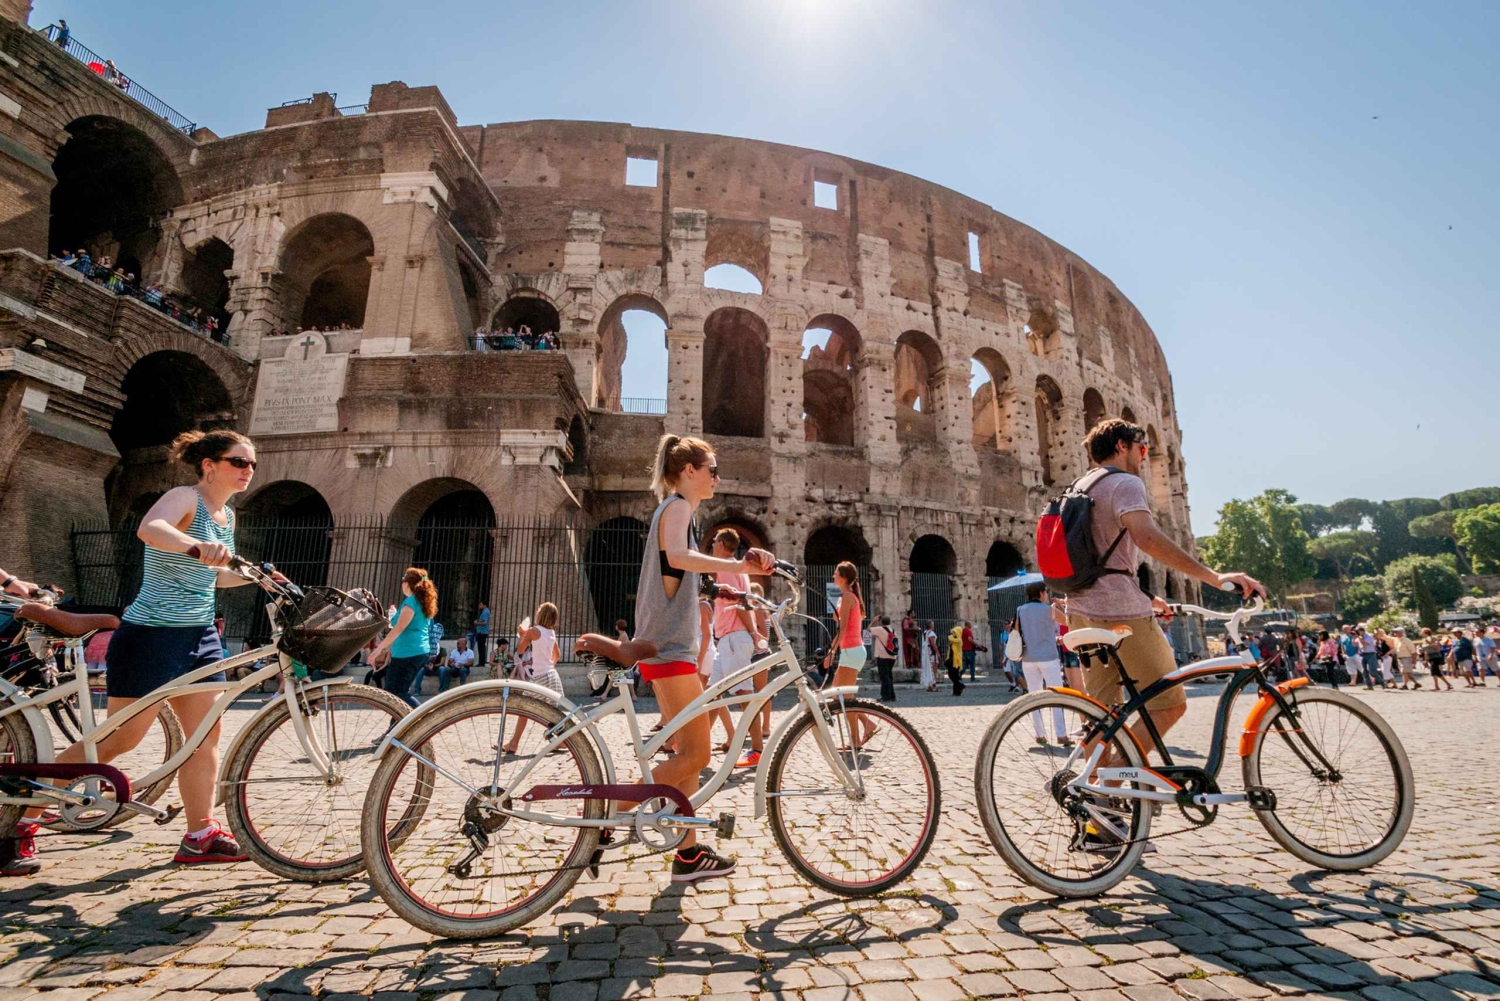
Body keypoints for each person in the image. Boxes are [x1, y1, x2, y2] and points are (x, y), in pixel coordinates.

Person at [7, 430, 280, 877]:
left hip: (199, 635)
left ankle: (200, 835)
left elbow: (212, 577)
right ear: (209, 465)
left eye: (252, 464)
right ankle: (22, 823)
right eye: (239, 461)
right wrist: (194, 545)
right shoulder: (183, 497)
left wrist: (253, 576)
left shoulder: (226, 516)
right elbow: (150, 529)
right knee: (121, 739)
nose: (248, 470)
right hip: (152, 634)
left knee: (204, 738)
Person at [575, 434, 772, 882]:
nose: (717, 477)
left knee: (686, 753)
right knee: (698, 755)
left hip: (667, 644)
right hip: (670, 647)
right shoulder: (678, 506)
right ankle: (605, 814)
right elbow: (679, 558)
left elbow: (676, 571)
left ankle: (687, 855)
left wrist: (720, 586)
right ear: (689, 471)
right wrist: (740, 569)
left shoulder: (679, 511)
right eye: (712, 469)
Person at [1058, 419, 1264, 776]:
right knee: (1169, 703)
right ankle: (1122, 773)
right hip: (1121, 614)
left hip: (1080, 609)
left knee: (1101, 716)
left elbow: (1099, 558)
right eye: (1141, 446)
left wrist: (1145, 594)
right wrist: (1214, 578)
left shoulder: (1078, 487)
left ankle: (1095, 804)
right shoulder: (1124, 482)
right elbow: (1146, 538)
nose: (1145, 453)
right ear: (1122, 446)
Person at [709, 528, 764, 767]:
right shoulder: (736, 570)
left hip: (734, 637)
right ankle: (696, 742)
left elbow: (740, 604)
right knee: (712, 693)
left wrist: (752, 633)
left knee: (743, 693)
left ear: (721, 544)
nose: (711, 545)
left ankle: (757, 748)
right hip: (727, 638)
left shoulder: (726, 568)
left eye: (714, 542)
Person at [500, 602, 566, 753]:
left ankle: (514, 744)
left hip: (540, 675)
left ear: (540, 614)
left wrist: (523, 634)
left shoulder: (533, 631)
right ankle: (562, 740)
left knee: (525, 708)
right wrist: (549, 664)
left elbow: (520, 650)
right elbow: (557, 655)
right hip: (552, 674)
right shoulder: (551, 633)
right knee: (551, 711)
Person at [824, 561, 875, 747]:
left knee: (844, 698)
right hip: (851, 650)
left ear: (843, 577)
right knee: (839, 695)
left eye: (836, 573)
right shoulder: (847, 597)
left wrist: (831, 652)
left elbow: (843, 628)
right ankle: (867, 724)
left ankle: (855, 740)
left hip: (852, 650)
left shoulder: (847, 597)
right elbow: (843, 621)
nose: (833, 576)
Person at [369, 568, 436, 709]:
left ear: (407, 584)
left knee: (395, 692)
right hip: (417, 651)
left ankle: (420, 717)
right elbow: (403, 624)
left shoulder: (410, 602)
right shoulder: (423, 602)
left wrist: (378, 649)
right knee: (400, 692)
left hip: (407, 652)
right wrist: (394, 615)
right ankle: (396, 727)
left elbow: (399, 628)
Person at [1015, 582, 1068, 746]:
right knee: (1056, 695)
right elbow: (1068, 622)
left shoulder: (1020, 610)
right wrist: (1059, 606)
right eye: (1045, 591)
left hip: (1028, 658)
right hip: (1048, 657)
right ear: (1041, 593)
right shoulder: (1049, 610)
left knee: (1034, 696)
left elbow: (1016, 631)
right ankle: (1061, 734)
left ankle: (1040, 734)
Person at [870, 614, 897, 703]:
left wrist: (874, 621)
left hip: (883, 656)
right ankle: (892, 695)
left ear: (882, 622)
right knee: (889, 676)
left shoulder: (880, 629)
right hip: (892, 656)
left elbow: (868, 629)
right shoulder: (893, 630)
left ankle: (885, 696)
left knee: (884, 677)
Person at [946, 621, 966, 696]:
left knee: (954, 675)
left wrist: (951, 633)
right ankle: (958, 688)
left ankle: (957, 690)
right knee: (952, 675)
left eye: (954, 632)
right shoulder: (954, 640)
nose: (953, 633)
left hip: (956, 661)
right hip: (951, 659)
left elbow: (950, 638)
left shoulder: (959, 640)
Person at [920, 620, 939, 692]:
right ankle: (933, 684)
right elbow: (933, 644)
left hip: (926, 651)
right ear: (931, 625)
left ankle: (929, 684)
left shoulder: (925, 632)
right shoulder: (931, 633)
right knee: (933, 668)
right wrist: (938, 652)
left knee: (928, 668)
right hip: (931, 652)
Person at [474, 601, 491, 667]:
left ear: (484, 605)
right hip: (482, 632)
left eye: (480, 605)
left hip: (482, 632)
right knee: (482, 647)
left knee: (481, 648)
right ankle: (482, 662)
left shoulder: (485, 612)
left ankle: (481, 663)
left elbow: (485, 622)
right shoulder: (485, 612)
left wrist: (476, 623)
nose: (479, 607)